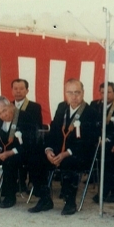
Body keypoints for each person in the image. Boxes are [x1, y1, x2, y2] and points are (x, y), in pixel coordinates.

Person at [28, 79, 98, 215]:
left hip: (79, 153)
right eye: (70, 92)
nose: (74, 96)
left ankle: (70, 201)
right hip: (59, 151)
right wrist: (49, 150)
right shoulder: (62, 108)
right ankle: (44, 199)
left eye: (77, 92)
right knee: (35, 159)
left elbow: (89, 140)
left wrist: (67, 153)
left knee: (69, 162)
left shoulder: (91, 112)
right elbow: (54, 131)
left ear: (83, 93)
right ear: (65, 93)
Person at [0, 97, 37, 208]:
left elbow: (30, 142)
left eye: (4, 111)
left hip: (24, 151)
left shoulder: (26, 117)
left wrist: (10, 153)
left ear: (11, 106)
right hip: (6, 149)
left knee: (9, 160)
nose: (3, 115)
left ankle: (9, 196)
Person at [91, 82, 114, 203]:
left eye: (108, 92)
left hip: (113, 143)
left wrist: (111, 142)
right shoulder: (94, 105)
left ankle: (105, 191)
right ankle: (112, 191)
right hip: (96, 142)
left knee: (109, 157)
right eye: (103, 92)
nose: (105, 95)